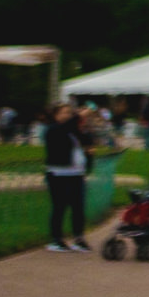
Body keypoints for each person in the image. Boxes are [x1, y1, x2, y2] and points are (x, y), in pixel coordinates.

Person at [42, 102, 92, 253]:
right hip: (58, 174)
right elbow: (63, 129)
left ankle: (79, 237)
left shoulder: (73, 131)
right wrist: (79, 116)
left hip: (76, 174)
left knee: (78, 207)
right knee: (60, 206)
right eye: (64, 112)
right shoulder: (53, 130)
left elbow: (87, 141)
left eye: (69, 113)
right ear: (56, 115)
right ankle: (56, 238)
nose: (67, 115)